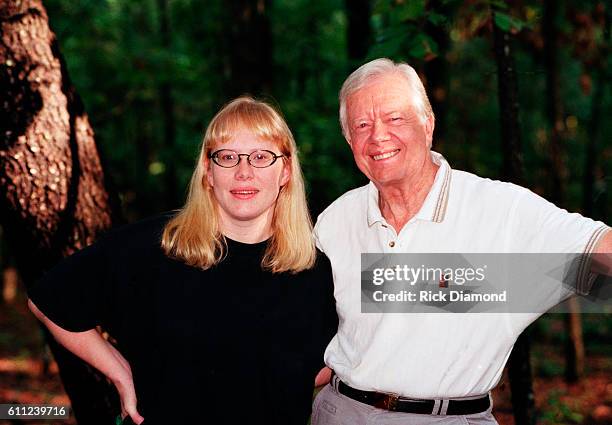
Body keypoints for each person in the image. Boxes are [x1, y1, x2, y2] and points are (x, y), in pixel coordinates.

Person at [312, 58, 611, 424]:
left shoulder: (502, 211)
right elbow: (318, 334)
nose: (378, 136)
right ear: (349, 139)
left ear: (428, 124)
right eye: (362, 124)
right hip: (342, 412)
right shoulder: (336, 220)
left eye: (395, 118)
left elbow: (598, 249)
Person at [28, 96, 338, 425]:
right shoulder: (152, 246)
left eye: (261, 157)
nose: (243, 171)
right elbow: (48, 300)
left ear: (285, 171)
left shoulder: (314, 269)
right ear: (208, 171)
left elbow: (322, 369)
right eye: (227, 157)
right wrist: (120, 373)